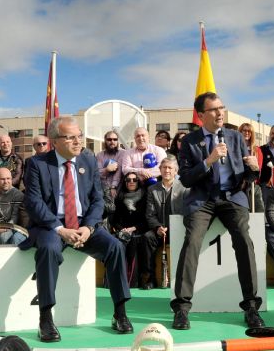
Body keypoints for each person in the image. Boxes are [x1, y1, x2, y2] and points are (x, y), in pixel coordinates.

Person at [22, 116, 133, 342]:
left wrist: (89, 227)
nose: (78, 141)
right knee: (49, 250)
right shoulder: (37, 163)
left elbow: (98, 199)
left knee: (115, 247)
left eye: (79, 136)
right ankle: (45, 319)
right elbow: (33, 202)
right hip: (51, 225)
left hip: (83, 224)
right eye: (70, 137)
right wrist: (59, 229)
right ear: (54, 141)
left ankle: (120, 313)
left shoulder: (87, 160)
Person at [171, 92, 264, 330]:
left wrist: (254, 169)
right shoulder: (190, 141)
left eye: (222, 107)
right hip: (203, 199)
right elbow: (186, 179)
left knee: (244, 239)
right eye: (214, 109)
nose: (220, 113)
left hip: (232, 196)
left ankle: (251, 306)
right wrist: (208, 160)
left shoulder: (235, 137)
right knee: (192, 241)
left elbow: (248, 176)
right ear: (202, 115)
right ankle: (181, 308)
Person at [143, 156, 188, 289]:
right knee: (147, 237)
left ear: (176, 171)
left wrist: (175, 227)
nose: (167, 170)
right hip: (160, 230)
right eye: (164, 167)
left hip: (179, 229)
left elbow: (187, 211)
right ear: (160, 170)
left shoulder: (184, 188)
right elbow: (150, 214)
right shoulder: (152, 189)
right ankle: (151, 279)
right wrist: (157, 227)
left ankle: (181, 280)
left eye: (170, 168)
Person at [109, 172, 148, 288]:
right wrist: (123, 229)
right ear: (125, 182)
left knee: (134, 242)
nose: (131, 182)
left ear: (138, 182)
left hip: (139, 230)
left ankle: (132, 281)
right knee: (115, 243)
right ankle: (116, 280)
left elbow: (147, 219)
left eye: (134, 180)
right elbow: (115, 219)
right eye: (128, 180)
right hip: (123, 231)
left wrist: (133, 228)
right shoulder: (120, 197)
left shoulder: (145, 196)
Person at [239, 123, 265, 212]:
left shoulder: (257, 150)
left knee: (257, 210)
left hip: (252, 185)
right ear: (240, 132)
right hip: (237, 184)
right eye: (244, 130)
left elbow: (259, 168)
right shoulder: (235, 148)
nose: (247, 133)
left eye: (249, 131)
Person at [96, 130, 124, 199]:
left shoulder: (122, 153)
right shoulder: (99, 155)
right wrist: (106, 169)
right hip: (102, 189)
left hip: (119, 189)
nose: (112, 142)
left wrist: (113, 186)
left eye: (115, 139)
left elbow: (118, 172)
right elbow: (97, 173)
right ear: (105, 141)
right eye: (109, 139)